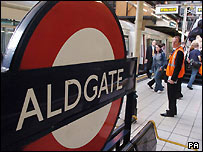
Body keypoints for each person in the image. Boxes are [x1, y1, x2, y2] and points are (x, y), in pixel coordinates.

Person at [161, 36, 185, 117]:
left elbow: (178, 67)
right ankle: (173, 110)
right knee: (171, 95)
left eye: (175, 42)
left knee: (171, 95)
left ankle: (171, 112)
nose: (173, 43)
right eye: (173, 42)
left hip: (173, 77)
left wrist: (173, 79)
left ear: (179, 43)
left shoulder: (179, 52)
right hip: (171, 76)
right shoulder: (176, 51)